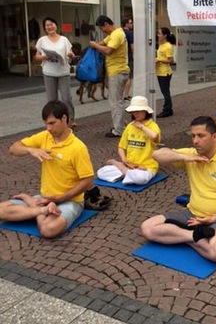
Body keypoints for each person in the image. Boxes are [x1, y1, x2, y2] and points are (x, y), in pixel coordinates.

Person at [141, 115, 216, 262]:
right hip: (192, 214)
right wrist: (186, 158)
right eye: (193, 136)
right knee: (147, 228)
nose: (195, 141)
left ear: (214, 137)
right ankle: (193, 236)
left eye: (201, 136)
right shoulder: (192, 154)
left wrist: (214, 218)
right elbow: (157, 155)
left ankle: (179, 235)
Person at [0, 100, 94, 238]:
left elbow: (88, 180)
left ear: (64, 118)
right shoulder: (45, 136)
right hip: (44, 198)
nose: (48, 128)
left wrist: (60, 198)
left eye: (52, 123)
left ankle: (35, 208)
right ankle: (42, 210)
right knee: (1, 210)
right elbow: (13, 149)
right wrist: (30, 150)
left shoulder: (78, 147)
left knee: (48, 229)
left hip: (70, 201)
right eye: (46, 124)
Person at [97, 96, 161, 185]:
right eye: (134, 111)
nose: (135, 114)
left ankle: (118, 167)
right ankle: (126, 172)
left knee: (140, 179)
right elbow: (121, 147)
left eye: (138, 111)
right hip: (129, 165)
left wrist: (141, 127)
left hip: (146, 167)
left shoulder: (153, 126)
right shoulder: (130, 126)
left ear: (146, 111)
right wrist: (124, 160)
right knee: (101, 172)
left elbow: (154, 136)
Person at [89, 15, 130, 138]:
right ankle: (120, 124)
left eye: (102, 28)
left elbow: (108, 50)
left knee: (115, 102)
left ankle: (119, 130)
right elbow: (103, 43)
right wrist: (96, 44)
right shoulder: (113, 35)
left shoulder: (117, 35)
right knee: (117, 100)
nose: (102, 31)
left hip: (117, 72)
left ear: (107, 24)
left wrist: (95, 46)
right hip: (117, 71)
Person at [34, 17, 77, 128]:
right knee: (52, 99)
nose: (50, 27)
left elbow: (71, 54)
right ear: (44, 28)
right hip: (49, 72)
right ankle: (53, 120)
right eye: (47, 25)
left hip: (63, 72)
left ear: (56, 25)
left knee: (66, 98)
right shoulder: (42, 40)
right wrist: (45, 57)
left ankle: (70, 118)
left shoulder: (64, 39)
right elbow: (36, 56)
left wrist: (71, 55)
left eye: (51, 24)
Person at [156, 27, 176, 118]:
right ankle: (168, 108)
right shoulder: (161, 45)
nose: (158, 35)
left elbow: (171, 60)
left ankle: (167, 109)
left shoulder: (168, 46)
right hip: (160, 71)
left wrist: (159, 60)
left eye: (160, 34)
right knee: (164, 91)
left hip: (165, 72)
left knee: (165, 92)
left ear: (165, 35)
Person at [122, 18, 134, 100]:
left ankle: (121, 94)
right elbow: (132, 47)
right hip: (128, 57)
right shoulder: (130, 34)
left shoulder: (119, 33)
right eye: (130, 23)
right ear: (126, 24)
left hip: (121, 58)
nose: (132, 24)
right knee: (129, 77)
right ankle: (126, 95)